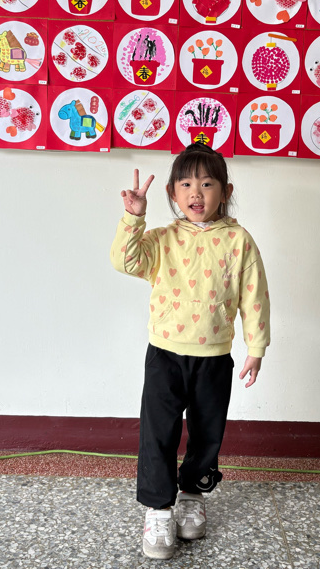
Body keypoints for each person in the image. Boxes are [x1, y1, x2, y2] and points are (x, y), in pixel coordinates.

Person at [110, 142, 271, 561]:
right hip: (165, 354)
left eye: (207, 183)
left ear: (225, 191)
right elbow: (125, 261)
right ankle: (158, 509)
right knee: (158, 432)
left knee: (207, 432)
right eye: (185, 184)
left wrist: (256, 346)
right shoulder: (162, 240)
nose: (196, 192)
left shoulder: (238, 241)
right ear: (173, 193)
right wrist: (134, 216)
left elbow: (255, 296)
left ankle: (191, 495)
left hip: (214, 356)